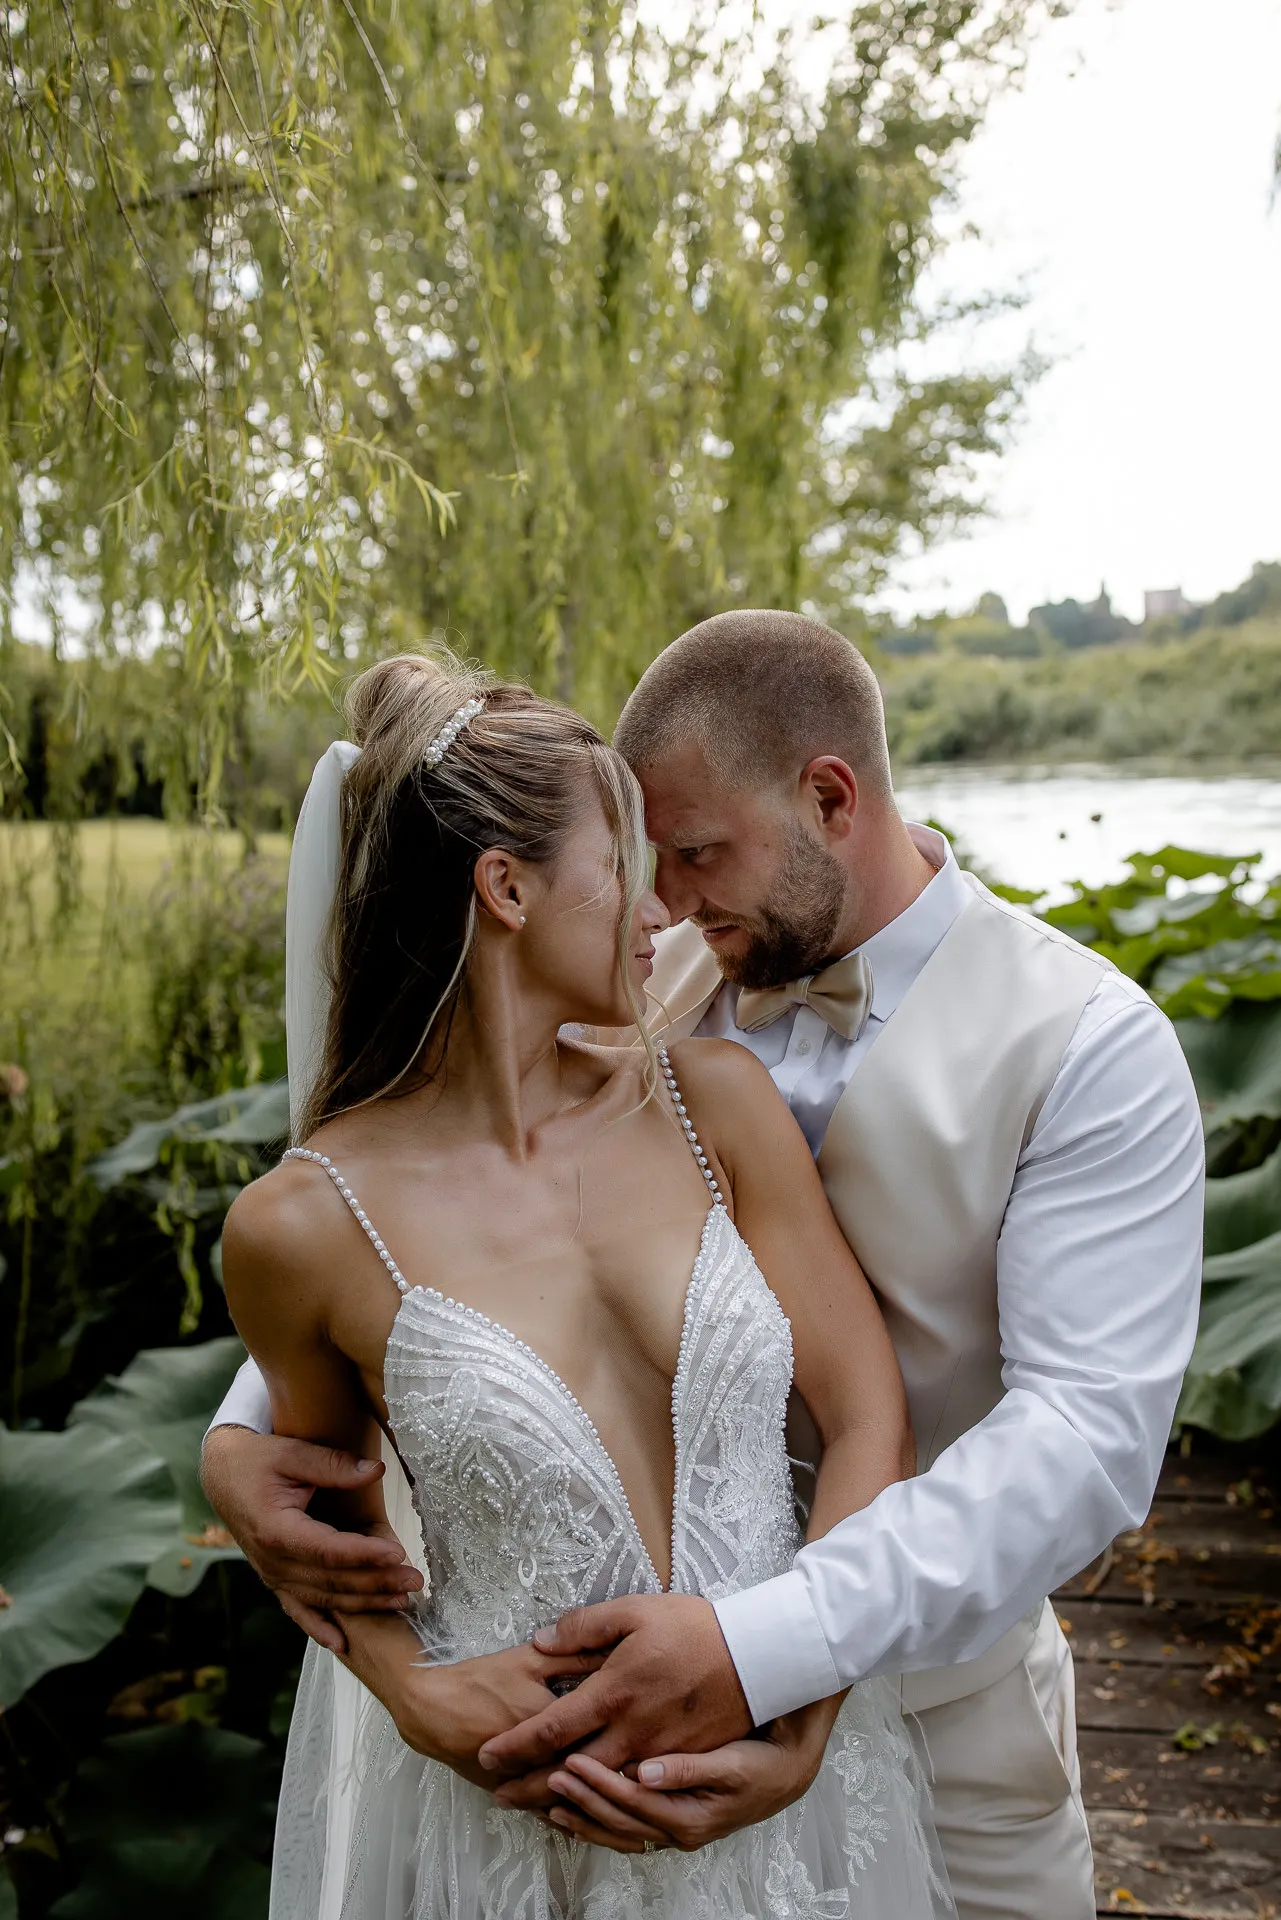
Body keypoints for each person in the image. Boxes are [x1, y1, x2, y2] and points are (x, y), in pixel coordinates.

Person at [206, 612, 1205, 1920]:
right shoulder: (637, 967)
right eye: (645, 859)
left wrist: (782, 1657)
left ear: (831, 799)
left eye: (692, 852)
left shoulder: (1091, 1044)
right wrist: (242, 1441)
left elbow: (1081, 1440)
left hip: (953, 1724)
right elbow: (436, 1232)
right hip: (571, 1762)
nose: (666, 900)